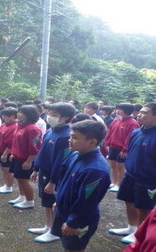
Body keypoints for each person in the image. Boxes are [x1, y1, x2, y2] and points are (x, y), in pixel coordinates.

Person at [51, 120, 110, 252]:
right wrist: (58, 200)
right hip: (65, 210)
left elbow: (87, 201)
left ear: (92, 142)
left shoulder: (95, 170)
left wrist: (74, 222)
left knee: (73, 248)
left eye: (75, 137)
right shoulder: (74, 154)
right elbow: (63, 180)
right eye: (70, 136)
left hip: (79, 219)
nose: (69, 140)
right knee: (66, 245)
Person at [108, 103, 156, 244]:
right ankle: (131, 228)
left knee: (144, 207)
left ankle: (140, 236)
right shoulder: (136, 132)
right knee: (128, 201)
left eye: (144, 112)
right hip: (130, 175)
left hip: (148, 179)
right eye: (139, 112)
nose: (139, 115)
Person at [29, 103, 75, 243]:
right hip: (44, 171)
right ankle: (47, 226)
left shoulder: (65, 135)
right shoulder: (51, 130)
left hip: (54, 176)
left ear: (65, 117)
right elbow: (42, 152)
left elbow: (60, 162)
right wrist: (36, 168)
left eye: (54, 115)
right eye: (49, 114)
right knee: (46, 202)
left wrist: (53, 181)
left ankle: (54, 231)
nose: (50, 117)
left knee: (55, 203)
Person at [8, 105, 42, 209]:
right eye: (19, 112)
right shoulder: (21, 125)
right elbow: (16, 142)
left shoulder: (32, 129)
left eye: (22, 113)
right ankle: (22, 196)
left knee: (24, 180)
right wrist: (13, 153)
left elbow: (35, 147)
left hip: (25, 159)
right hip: (18, 157)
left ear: (29, 115)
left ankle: (29, 201)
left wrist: (29, 161)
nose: (18, 114)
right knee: (19, 178)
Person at [104, 103, 140, 192]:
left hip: (122, 149)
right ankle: (114, 182)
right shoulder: (116, 120)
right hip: (112, 146)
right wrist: (107, 144)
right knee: (113, 165)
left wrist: (125, 149)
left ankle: (119, 184)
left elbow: (130, 138)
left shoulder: (132, 123)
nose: (117, 111)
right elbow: (110, 133)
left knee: (120, 166)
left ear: (127, 111)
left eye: (120, 109)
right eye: (117, 109)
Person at [0, 107, 18, 194]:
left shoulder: (14, 127)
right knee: (3, 168)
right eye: (3, 115)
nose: (3, 117)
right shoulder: (4, 125)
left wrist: (5, 154)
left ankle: (9, 186)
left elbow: (11, 143)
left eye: (6, 116)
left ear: (13, 116)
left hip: (6, 151)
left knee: (8, 170)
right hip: (0, 149)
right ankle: (5, 184)